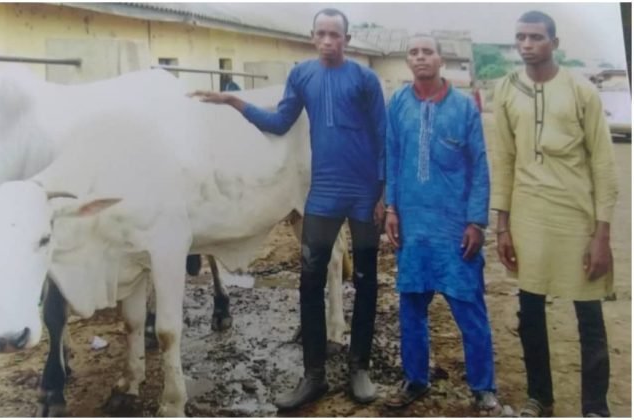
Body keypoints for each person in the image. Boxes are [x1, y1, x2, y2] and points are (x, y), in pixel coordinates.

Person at [191, 8, 386, 411]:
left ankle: (359, 369)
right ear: (313, 38)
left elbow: (384, 138)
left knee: (366, 281)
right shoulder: (302, 76)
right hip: (324, 194)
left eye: (336, 34)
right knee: (309, 282)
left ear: (347, 40)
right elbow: (280, 122)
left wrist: (386, 192)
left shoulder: (366, 80)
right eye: (321, 34)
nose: (328, 40)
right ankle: (313, 376)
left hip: (364, 194)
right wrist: (233, 101)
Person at [491, 11, 618, 417]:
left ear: (554, 44)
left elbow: (602, 164)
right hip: (528, 216)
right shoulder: (507, 89)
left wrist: (601, 235)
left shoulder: (582, 92)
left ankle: (595, 407)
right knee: (529, 310)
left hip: (576, 217)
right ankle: (539, 398)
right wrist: (502, 227)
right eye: (520, 38)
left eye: (536, 37)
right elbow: (505, 160)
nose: (527, 45)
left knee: (589, 311)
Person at [380, 34, 502, 415]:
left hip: (454, 228)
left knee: (469, 308)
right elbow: (393, 157)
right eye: (413, 52)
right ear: (407, 60)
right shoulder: (398, 103)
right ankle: (415, 379)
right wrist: (391, 209)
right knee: (411, 306)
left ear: (440, 58)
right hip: (412, 227)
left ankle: (483, 387)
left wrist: (476, 221)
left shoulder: (463, 108)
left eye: (427, 51)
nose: (420, 57)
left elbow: (479, 167)